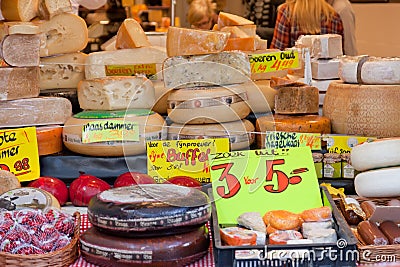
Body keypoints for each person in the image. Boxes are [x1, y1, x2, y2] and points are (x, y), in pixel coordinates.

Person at [270, 0, 344, 50]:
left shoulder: (286, 12)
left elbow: (277, 52)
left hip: (294, 71)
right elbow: (339, 55)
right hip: (326, 72)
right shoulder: (334, 16)